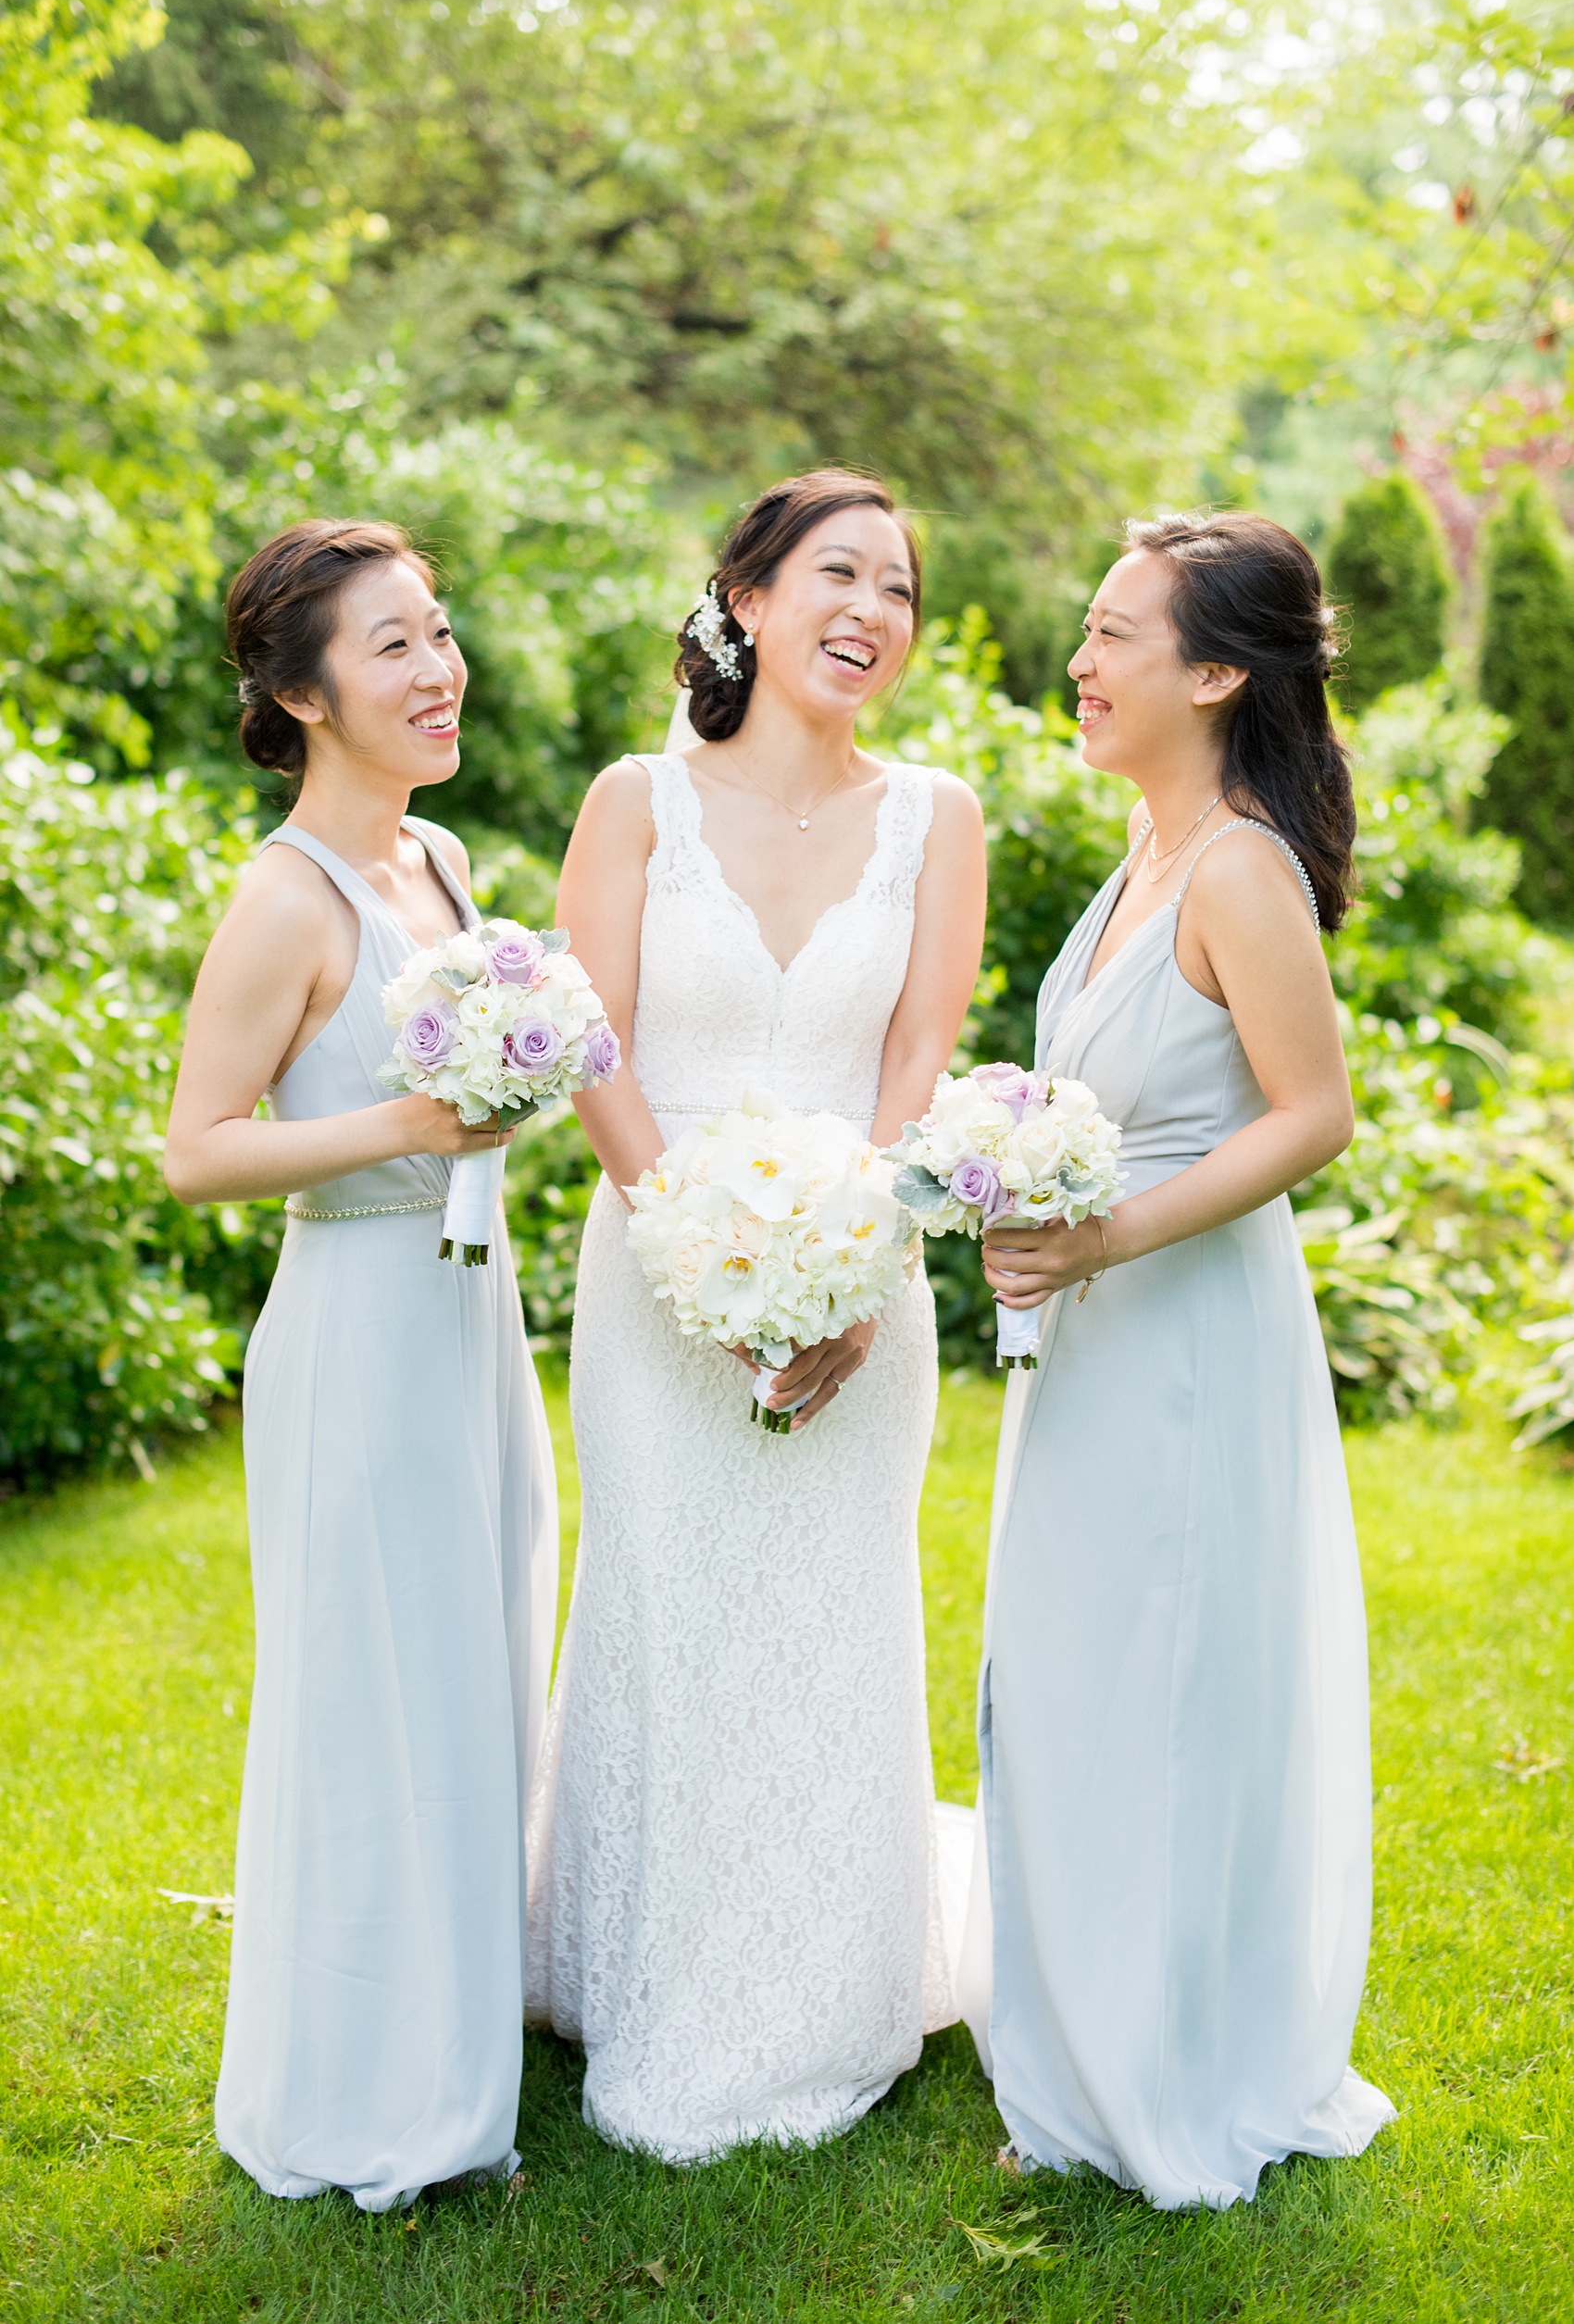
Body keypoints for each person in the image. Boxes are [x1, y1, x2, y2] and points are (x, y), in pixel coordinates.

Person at [525, 469, 988, 2161]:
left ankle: (822, 1984)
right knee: (672, 1605)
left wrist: (856, 1270)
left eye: (901, 590)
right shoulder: (637, 799)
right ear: (748, 591)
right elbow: (598, 1046)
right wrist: (691, 1260)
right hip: (658, 1281)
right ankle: (645, 1964)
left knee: (829, 1615)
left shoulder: (937, 814)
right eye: (838, 575)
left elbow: (919, 1059)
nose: (872, 612)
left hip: (862, 1289)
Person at [973, 511, 1395, 2209]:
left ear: (1217, 671)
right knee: (1070, 1679)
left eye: (1113, 637)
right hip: (1093, 1341)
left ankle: (1169, 2070)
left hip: (1189, 1341)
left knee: (1160, 1683)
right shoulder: (1143, 855)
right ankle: (1079, 2050)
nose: (1081, 663)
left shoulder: (1234, 867)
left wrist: (1098, 1238)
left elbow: (1315, 1114)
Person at [164, 519, 557, 2211]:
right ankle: (371, 2089)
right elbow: (195, 1149)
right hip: (358, 1328)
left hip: (474, 1313)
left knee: (476, 1675)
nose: (436, 667)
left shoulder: (445, 862)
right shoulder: (284, 898)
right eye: (391, 644)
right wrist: (405, 1123)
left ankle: (464, 2042)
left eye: (440, 632)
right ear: (301, 693)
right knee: (376, 1702)